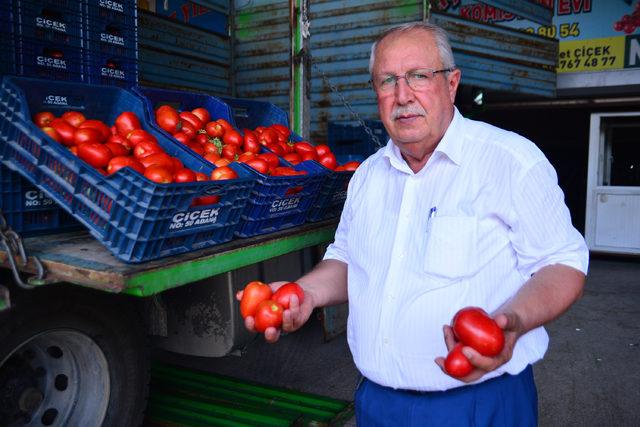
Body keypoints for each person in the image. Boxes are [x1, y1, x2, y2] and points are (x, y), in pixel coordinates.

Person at [239, 22, 588, 426]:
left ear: (452, 84)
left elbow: (562, 264)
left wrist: (513, 324)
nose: (403, 96)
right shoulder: (368, 176)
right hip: (377, 403)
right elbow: (349, 260)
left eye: (419, 76)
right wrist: (305, 294)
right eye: (387, 81)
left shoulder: (510, 161)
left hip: (480, 404)